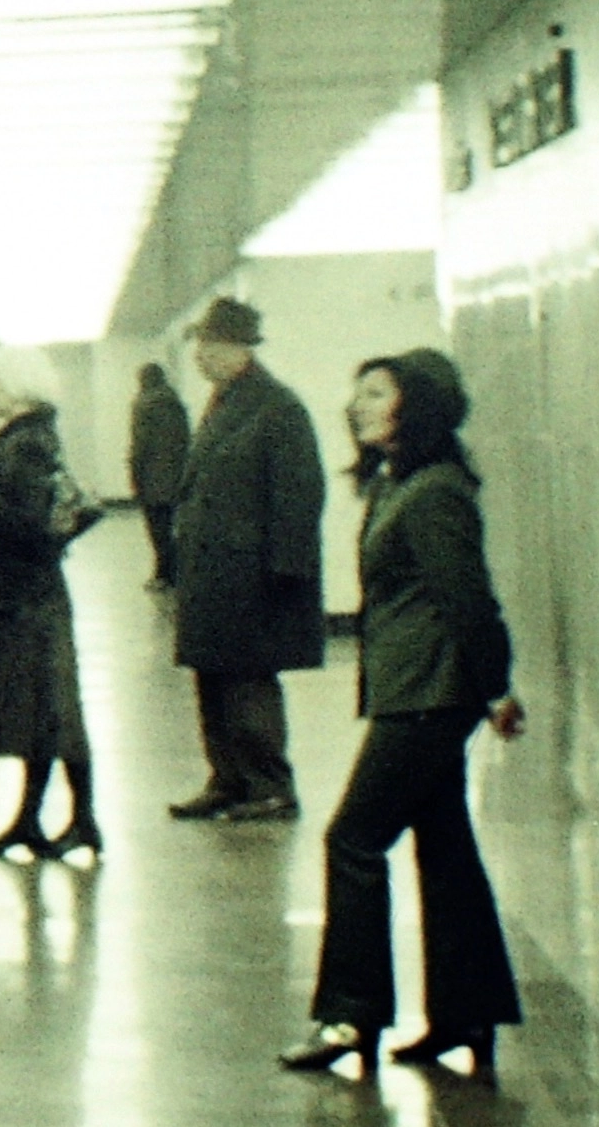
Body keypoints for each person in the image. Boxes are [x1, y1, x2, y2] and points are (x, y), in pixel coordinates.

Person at [286, 352, 527, 1082]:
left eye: (376, 394)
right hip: (417, 690)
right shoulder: (404, 483)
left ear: (414, 406)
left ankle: (350, 1017)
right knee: (444, 847)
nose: (357, 406)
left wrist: (494, 689)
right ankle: (465, 1014)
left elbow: (469, 600)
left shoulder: (432, 495)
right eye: (357, 392)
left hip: (430, 695)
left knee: (353, 839)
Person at [167, 297, 327, 822]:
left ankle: (269, 785)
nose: (198, 356)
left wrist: (286, 574)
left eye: (207, 345)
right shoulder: (226, 400)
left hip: (252, 578)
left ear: (237, 348)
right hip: (214, 575)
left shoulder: (276, 406)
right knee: (212, 678)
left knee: (249, 683)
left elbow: (301, 492)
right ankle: (228, 779)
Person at [0, 387, 105, 859]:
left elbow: (31, 522)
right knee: (43, 710)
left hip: (24, 598)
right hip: (26, 594)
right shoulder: (27, 437)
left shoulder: (27, 443)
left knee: (53, 709)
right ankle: (37, 818)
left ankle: (79, 820)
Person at [125, 360, 196, 590]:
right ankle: (177, 573)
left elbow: (140, 445)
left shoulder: (143, 404)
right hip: (178, 477)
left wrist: (134, 477)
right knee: (174, 528)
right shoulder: (177, 403)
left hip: (151, 479)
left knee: (157, 530)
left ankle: (163, 575)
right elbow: (187, 440)